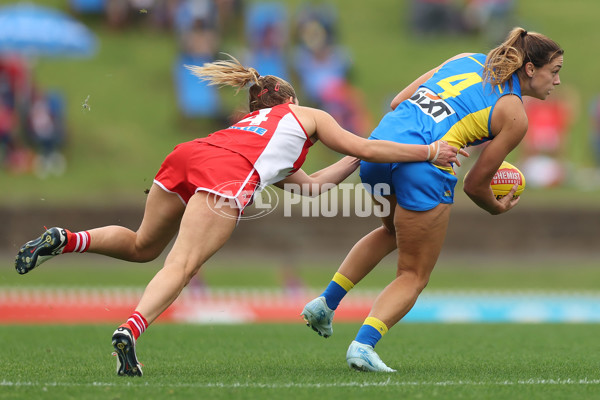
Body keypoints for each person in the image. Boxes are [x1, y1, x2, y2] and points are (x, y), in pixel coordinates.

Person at [14, 55, 464, 377]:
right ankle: (130, 330)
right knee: (182, 265)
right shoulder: (307, 114)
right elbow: (364, 149)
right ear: (287, 97)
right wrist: (429, 150)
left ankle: (67, 238)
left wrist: (353, 158)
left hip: (188, 156)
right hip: (225, 174)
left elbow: (313, 186)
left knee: (142, 245)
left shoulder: (254, 129)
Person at [301, 27, 564, 372]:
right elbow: (475, 185)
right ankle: (363, 346)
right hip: (424, 168)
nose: (557, 82)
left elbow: (398, 102)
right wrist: (497, 207)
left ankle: (325, 304)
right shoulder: (514, 114)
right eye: (555, 71)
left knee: (392, 233)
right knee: (413, 273)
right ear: (530, 70)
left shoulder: (465, 59)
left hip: (380, 151)